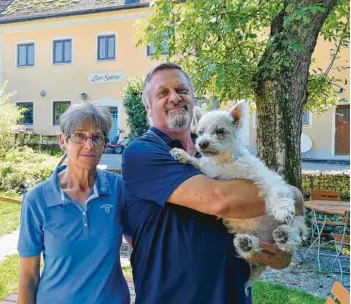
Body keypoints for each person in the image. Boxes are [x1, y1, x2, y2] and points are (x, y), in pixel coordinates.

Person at [122, 63, 300, 303]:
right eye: (162, 93)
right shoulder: (142, 152)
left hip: (232, 295)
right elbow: (223, 201)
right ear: (147, 107)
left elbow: (261, 195)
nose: (174, 97)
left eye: (182, 90)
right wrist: (294, 196)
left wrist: (283, 250)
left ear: (194, 99)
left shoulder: (220, 145)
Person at [17, 103, 130, 304]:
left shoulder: (118, 190)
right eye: (79, 135)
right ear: (63, 141)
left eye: (97, 137)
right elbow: (29, 276)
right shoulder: (37, 200)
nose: (89, 145)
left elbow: (142, 247)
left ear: (105, 144)